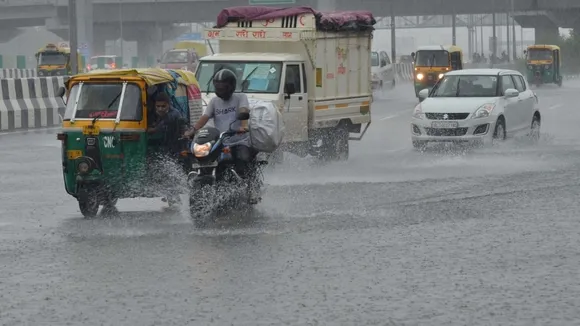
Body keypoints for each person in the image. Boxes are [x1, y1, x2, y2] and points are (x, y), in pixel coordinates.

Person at [183, 68, 259, 204]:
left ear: (230, 86)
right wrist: (193, 130)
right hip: (221, 140)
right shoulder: (214, 101)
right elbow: (205, 117)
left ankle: (251, 190)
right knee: (203, 158)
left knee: (243, 159)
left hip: (239, 139)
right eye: (218, 86)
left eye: (223, 86)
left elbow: (244, 110)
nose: (220, 89)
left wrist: (244, 125)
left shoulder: (240, 97)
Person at [148, 92, 187, 207]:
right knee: (166, 174)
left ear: (168, 105)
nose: (160, 109)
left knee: (170, 174)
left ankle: (174, 199)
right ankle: (171, 198)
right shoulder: (163, 114)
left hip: (175, 148)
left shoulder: (172, 115)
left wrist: (147, 129)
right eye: (158, 106)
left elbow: (155, 130)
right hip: (167, 147)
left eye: (163, 106)